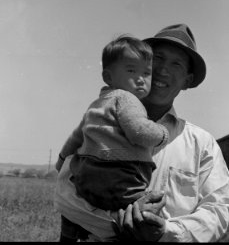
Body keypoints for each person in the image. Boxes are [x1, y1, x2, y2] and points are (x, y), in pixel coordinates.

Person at [54, 24, 229, 242]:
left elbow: (218, 209)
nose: (162, 70)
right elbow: (64, 194)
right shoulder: (101, 119)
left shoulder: (202, 143)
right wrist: (119, 223)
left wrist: (165, 231)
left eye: (176, 63)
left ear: (187, 81)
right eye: (157, 58)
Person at [55, 35, 172, 240]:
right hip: (121, 177)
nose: (140, 78)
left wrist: (61, 159)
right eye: (131, 70)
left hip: (87, 175)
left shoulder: (97, 103)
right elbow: (138, 131)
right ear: (108, 77)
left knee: (79, 210)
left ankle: (70, 232)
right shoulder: (127, 98)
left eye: (146, 72)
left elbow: (76, 137)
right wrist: (162, 134)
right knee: (143, 210)